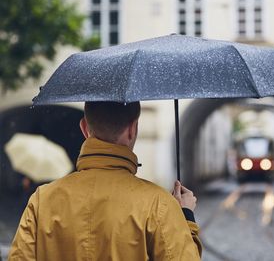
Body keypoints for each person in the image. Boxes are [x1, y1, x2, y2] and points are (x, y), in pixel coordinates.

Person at [8, 102, 202, 260]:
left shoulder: (42, 200)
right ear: (132, 129)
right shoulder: (158, 204)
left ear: (84, 128)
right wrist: (185, 218)